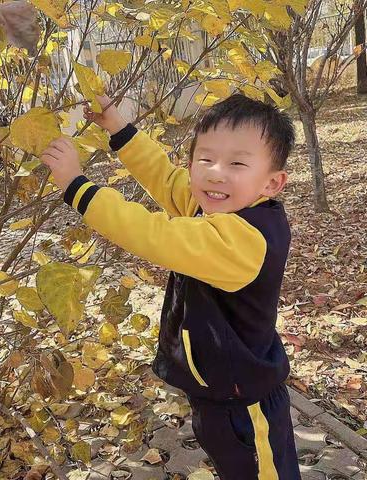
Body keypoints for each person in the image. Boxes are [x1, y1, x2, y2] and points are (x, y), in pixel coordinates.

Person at [40, 93, 301, 479]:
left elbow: (152, 234)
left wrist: (77, 187)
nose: (215, 172)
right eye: (205, 158)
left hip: (245, 407)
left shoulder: (242, 239)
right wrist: (117, 127)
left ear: (272, 182)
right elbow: (165, 178)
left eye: (237, 163)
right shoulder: (216, 207)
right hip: (218, 395)